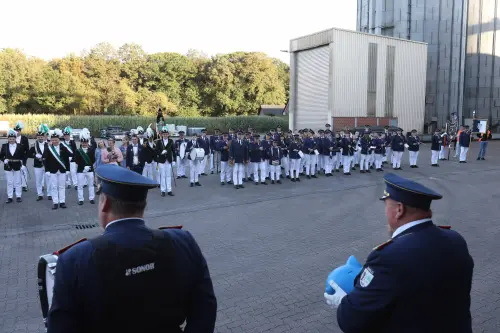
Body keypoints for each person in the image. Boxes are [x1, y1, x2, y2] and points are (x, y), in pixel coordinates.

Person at [46, 165, 217, 333]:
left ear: (104, 202)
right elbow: (205, 307)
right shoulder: (183, 241)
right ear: (143, 204)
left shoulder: (74, 260)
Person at [326, 173, 473, 333]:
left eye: (386, 205)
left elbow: (352, 321)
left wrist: (345, 303)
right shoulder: (456, 240)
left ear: (399, 210)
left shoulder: (388, 257)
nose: (385, 212)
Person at [43, 129, 71, 210]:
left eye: (56, 140)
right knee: (54, 187)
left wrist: (68, 170)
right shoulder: (48, 148)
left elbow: (66, 160)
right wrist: (47, 170)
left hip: (62, 170)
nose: (54, 141)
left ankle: (62, 202)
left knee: (62, 186)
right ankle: (55, 202)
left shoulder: (63, 148)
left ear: (59, 139)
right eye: (53, 140)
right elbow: (46, 160)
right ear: (51, 140)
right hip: (52, 170)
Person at [0, 129, 26, 203]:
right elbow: (1, 156)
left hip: (17, 165)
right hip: (8, 166)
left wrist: (23, 164)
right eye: (10, 139)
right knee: (9, 182)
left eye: (13, 139)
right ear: (8, 139)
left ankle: (18, 196)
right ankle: (10, 197)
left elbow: (23, 156)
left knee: (18, 182)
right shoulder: (4, 146)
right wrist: (3, 160)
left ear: (15, 138)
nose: (11, 140)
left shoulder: (20, 146)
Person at [28, 125, 50, 201]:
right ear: (37, 137)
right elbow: (28, 154)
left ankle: (49, 194)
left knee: (48, 180)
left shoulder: (48, 145)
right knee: (38, 180)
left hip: (47, 165)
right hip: (37, 165)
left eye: (42, 136)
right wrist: (35, 155)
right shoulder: (34, 145)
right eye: (39, 137)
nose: (40, 138)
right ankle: (40, 194)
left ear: (44, 137)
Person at [74, 129, 96, 205]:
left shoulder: (91, 150)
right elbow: (77, 161)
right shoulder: (78, 151)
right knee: (80, 186)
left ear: (87, 142)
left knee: (91, 185)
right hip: (81, 170)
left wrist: (88, 166)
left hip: (90, 170)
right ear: (81, 142)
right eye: (83, 143)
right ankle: (81, 199)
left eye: (85, 142)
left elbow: (93, 160)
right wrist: (83, 167)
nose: (84, 144)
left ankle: (91, 198)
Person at [155, 127, 175, 197]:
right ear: (162, 134)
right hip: (161, 161)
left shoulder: (171, 141)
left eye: (166, 134)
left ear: (168, 134)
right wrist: (161, 152)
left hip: (168, 161)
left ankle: (169, 190)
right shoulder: (159, 142)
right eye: (164, 134)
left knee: (168, 176)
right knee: (162, 176)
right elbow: (156, 151)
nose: (165, 135)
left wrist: (174, 160)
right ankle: (163, 190)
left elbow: (173, 151)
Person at [13, 120, 30, 192]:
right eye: (16, 130)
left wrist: (25, 162)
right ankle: (14, 186)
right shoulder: (12, 138)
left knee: (23, 172)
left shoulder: (24, 139)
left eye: (18, 130)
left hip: (22, 158)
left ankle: (24, 186)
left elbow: (27, 150)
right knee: (14, 172)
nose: (17, 132)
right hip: (14, 159)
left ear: (20, 131)